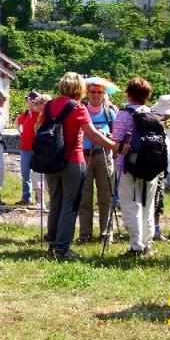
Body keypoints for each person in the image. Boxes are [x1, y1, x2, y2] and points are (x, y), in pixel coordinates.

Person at [40, 72, 114, 260]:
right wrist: (115, 146)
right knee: (70, 205)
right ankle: (62, 248)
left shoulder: (49, 105)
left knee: (55, 203)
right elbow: (93, 135)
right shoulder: (78, 107)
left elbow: (37, 129)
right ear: (79, 88)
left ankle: (52, 243)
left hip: (51, 160)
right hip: (73, 160)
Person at [110, 77, 160, 256]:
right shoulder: (153, 114)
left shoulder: (124, 114)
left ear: (129, 94)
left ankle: (136, 246)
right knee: (148, 205)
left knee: (131, 205)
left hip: (128, 165)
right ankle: (147, 243)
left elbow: (117, 143)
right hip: (151, 167)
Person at [78, 82, 117, 243]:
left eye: (99, 92)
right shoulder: (82, 111)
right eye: (93, 92)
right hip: (84, 156)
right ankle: (84, 234)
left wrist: (106, 136)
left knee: (106, 196)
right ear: (87, 93)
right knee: (84, 197)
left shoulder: (110, 114)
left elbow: (117, 136)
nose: (95, 95)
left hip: (104, 155)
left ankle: (106, 234)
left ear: (104, 95)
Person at [149, 95, 170, 242]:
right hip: (156, 168)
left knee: (157, 199)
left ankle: (153, 230)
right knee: (156, 199)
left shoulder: (156, 122)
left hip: (158, 167)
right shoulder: (157, 124)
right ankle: (153, 231)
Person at [15, 91, 41, 205]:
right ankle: (26, 198)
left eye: (29, 100)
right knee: (25, 173)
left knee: (37, 174)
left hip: (36, 149)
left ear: (34, 101)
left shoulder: (40, 114)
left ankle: (39, 198)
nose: (27, 101)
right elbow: (17, 121)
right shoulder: (26, 113)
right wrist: (20, 132)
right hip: (24, 148)